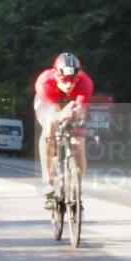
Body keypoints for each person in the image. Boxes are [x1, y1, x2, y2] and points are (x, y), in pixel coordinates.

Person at [34, 53, 94, 205]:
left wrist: (75, 116)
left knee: (79, 142)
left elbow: (79, 109)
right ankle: (47, 179)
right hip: (48, 102)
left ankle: (78, 189)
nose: (68, 85)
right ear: (56, 74)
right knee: (49, 127)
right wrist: (63, 115)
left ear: (78, 76)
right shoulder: (44, 81)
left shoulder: (85, 82)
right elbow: (55, 114)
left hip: (72, 103)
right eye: (64, 80)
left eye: (73, 80)